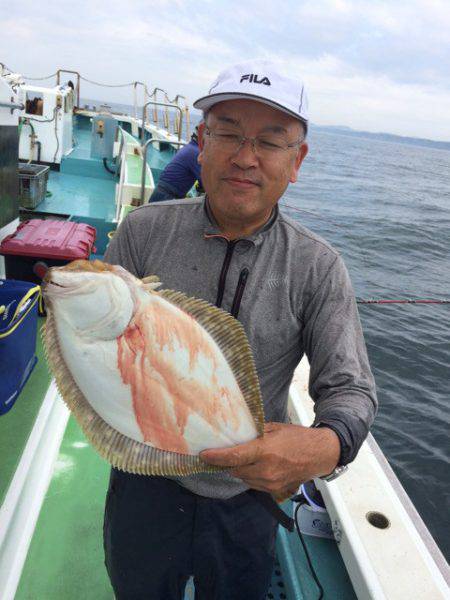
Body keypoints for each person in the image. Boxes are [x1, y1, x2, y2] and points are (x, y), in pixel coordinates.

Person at [103, 60, 377, 600]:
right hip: (145, 481)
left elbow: (350, 388)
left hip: (246, 498)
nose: (245, 157)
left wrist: (327, 444)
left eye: (271, 142)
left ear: (296, 161)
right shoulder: (141, 232)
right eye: (228, 132)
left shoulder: (318, 266)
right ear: (200, 142)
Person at [149, 126, 203, 202]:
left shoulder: (189, 147)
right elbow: (204, 182)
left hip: (161, 191)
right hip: (168, 197)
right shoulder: (196, 153)